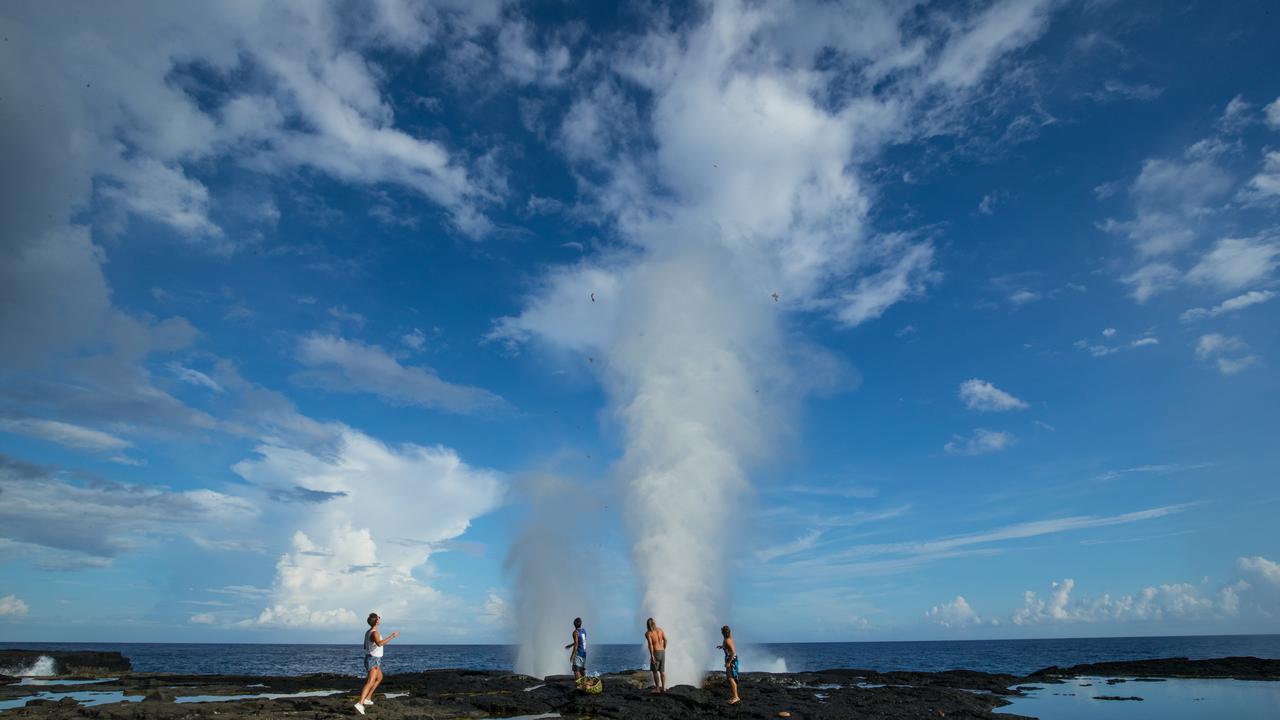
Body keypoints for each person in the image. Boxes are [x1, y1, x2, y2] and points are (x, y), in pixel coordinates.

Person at [356, 612, 399, 715]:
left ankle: (368, 698)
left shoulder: (368, 632)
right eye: (379, 617)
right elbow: (379, 644)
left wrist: (372, 649)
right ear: (376, 621)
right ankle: (360, 704)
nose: (380, 618)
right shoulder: (374, 633)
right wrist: (392, 636)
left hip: (372, 658)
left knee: (379, 678)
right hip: (373, 659)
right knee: (370, 681)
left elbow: (365, 646)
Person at [717, 624, 740, 705]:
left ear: (723, 632)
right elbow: (728, 648)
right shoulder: (727, 639)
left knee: (730, 678)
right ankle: (734, 696)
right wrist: (722, 647)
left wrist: (729, 663)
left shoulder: (727, 640)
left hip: (731, 660)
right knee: (730, 678)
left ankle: (736, 697)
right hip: (730, 658)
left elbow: (733, 652)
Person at [645, 617, 667, 693]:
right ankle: (663, 688)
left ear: (647, 625)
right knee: (662, 671)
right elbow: (666, 639)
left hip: (656, 652)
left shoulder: (648, 633)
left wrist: (652, 656)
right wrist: (664, 648)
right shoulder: (660, 630)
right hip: (662, 652)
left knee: (655, 671)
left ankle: (657, 689)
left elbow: (650, 645)